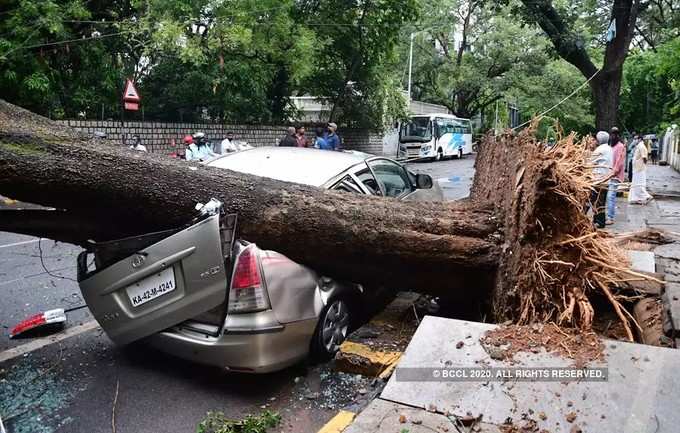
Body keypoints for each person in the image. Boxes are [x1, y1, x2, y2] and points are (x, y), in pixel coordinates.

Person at [590, 131, 613, 229]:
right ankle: (597, 220)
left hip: (598, 180)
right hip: (605, 179)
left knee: (596, 201)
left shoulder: (599, 150)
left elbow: (589, 162)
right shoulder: (609, 148)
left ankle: (599, 222)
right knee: (600, 201)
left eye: (595, 139)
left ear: (599, 140)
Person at [605, 127, 625, 225]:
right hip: (607, 175)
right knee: (606, 196)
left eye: (614, 134)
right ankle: (607, 215)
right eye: (611, 134)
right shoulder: (611, 146)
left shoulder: (620, 146)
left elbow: (619, 162)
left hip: (615, 175)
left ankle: (610, 217)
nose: (612, 136)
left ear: (617, 135)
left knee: (610, 196)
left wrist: (614, 172)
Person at [629, 136, 653, 205]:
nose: (635, 140)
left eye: (636, 139)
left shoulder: (641, 146)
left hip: (639, 169)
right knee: (635, 184)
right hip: (637, 168)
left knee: (639, 185)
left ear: (640, 139)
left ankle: (646, 196)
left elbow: (644, 158)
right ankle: (636, 199)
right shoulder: (638, 146)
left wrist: (643, 165)